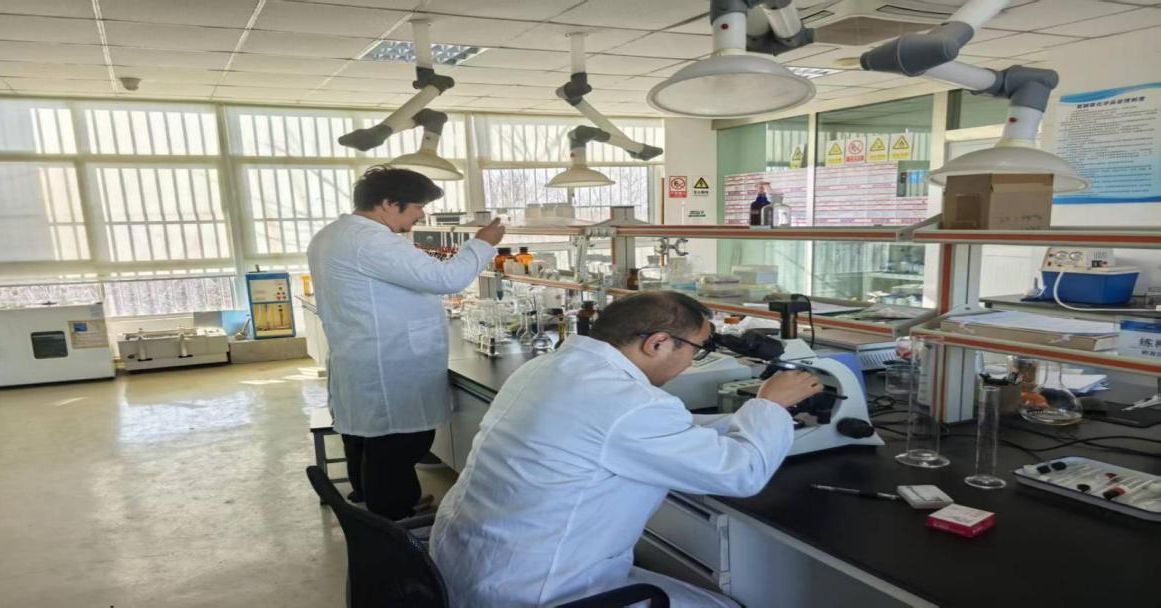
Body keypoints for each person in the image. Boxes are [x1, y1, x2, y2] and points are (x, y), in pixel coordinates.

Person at [429, 291, 822, 607]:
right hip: (541, 592)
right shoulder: (630, 404)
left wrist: (743, 419)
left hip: (464, 569)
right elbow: (742, 473)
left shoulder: (547, 368)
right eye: (697, 350)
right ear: (658, 343)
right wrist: (770, 405)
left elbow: (645, 431)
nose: (692, 362)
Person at [307, 166, 505, 520]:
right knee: (397, 443)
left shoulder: (332, 234)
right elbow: (447, 278)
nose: (421, 215)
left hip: (362, 353)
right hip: (388, 360)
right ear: (387, 203)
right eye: (417, 206)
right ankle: (394, 520)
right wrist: (483, 242)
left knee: (365, 438)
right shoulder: (370, 241)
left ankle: (373, 501)